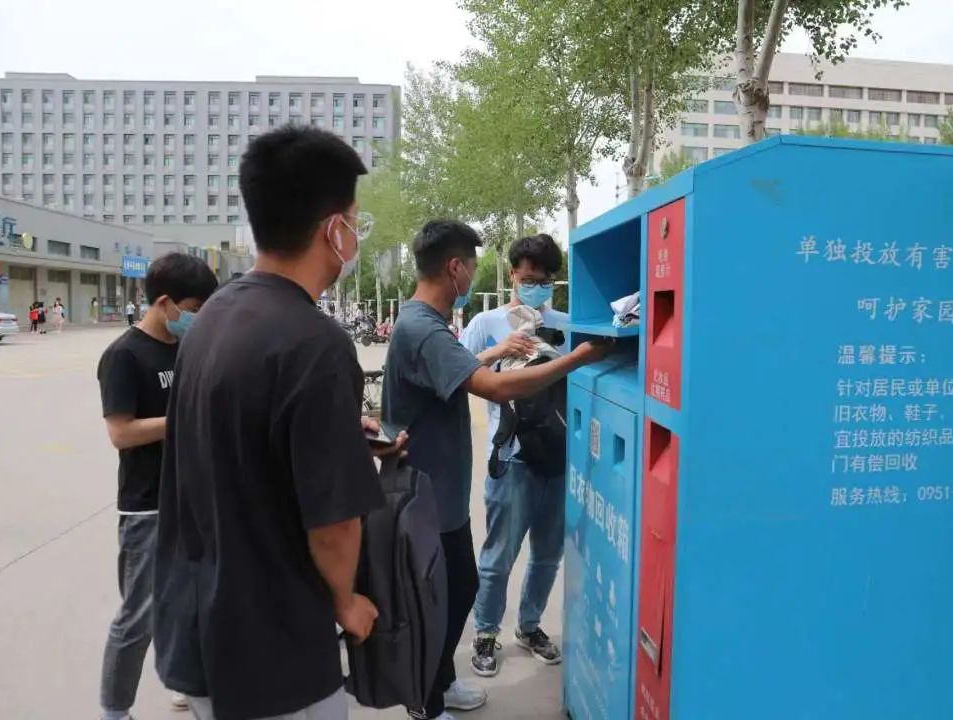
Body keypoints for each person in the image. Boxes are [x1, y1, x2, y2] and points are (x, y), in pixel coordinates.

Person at [153, 125, 400, 720]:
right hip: (275, 648)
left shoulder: (213, 318)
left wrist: (342, 434)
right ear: (333, 230)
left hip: (200, 627)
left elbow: (239, 434)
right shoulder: (316, 343)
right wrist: (346, 602)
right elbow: (335, 525)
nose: (355, 235)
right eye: (354, 222)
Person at [382, 220, 610, 720]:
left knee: (460, 586)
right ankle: (425, 700)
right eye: (472, 266)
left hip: (443, 493)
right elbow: (496, 387)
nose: (472, 275)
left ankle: (442, 682)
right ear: (456, 268)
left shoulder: (426, 324)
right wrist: (578, 358)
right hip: (427, 494)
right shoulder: (423, 327)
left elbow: (459, 370)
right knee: (446, 594)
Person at [96, 252, 219, 720]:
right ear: (165, 302)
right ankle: (115, 708)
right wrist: (182, 419)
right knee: (139, 616)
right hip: (147, 506)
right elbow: (121, 433)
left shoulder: (186, 347)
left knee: (196, 602)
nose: (197, 318)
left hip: (193, 496)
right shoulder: (124, 356)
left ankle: (188, 682)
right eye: (193, 309)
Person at [459, 233, 569, 677]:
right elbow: (456, 372)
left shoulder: (567, 324)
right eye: (528, 279)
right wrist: (500, 351)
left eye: (544, 281)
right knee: (499, 555)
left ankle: (530, 625)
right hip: (511, 458)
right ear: (512, 275)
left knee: (548, 554)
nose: (536, 288)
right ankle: (486, 632)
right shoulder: (486, 323)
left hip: (559, 458)